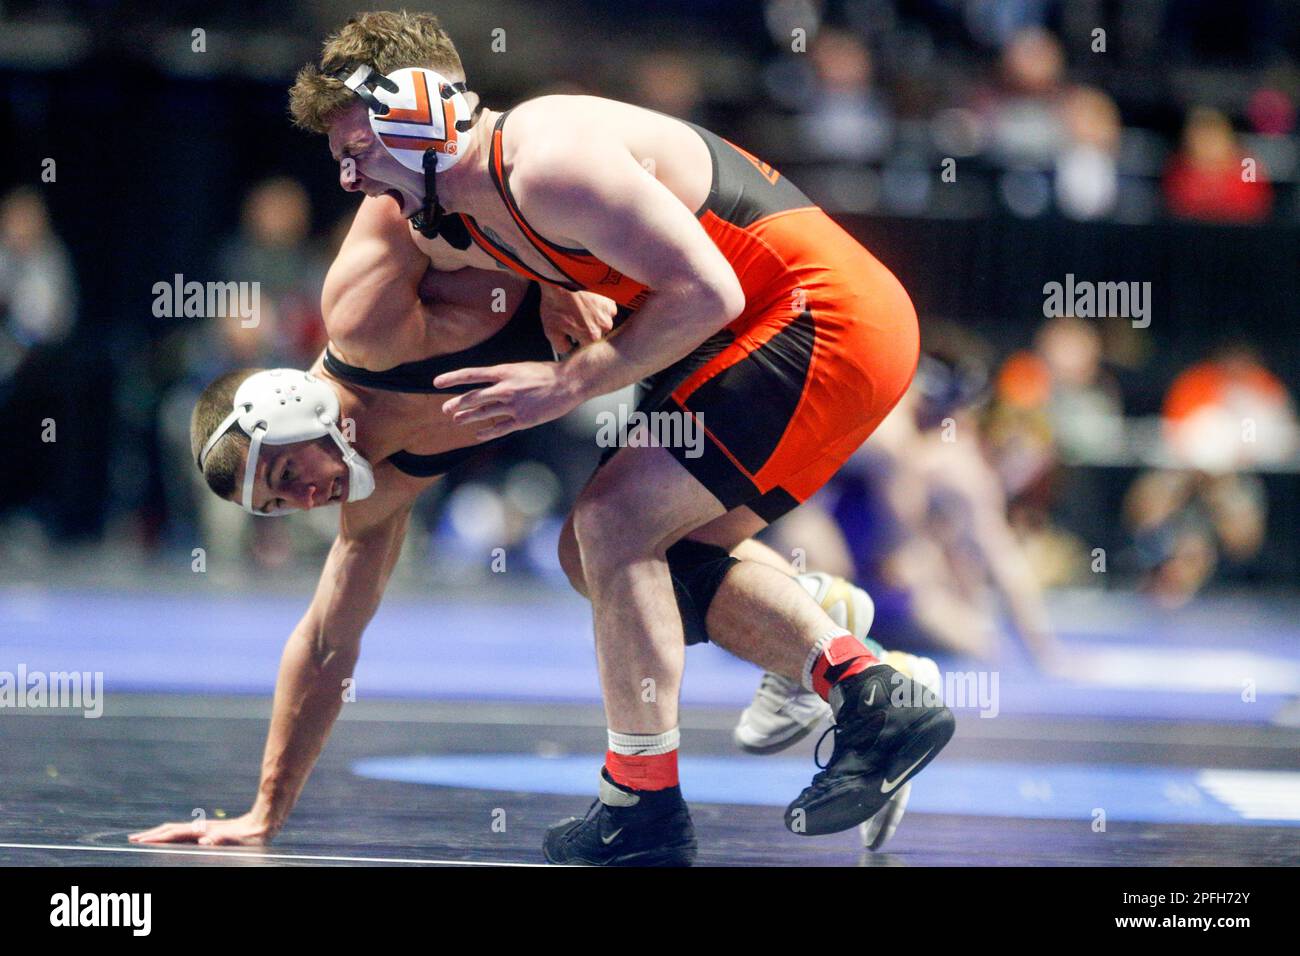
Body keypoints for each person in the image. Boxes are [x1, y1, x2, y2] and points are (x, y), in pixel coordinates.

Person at [282, 10, 953, 864]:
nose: (349, 179)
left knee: (615, 524)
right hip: (771, 328)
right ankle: (853, 671)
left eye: (357, 151)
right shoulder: (459, 210)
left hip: (818, 315)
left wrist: (564, 386)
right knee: (598, 553)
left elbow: (706, 288)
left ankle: (649, 803)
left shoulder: (549, 159)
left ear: (418, 114)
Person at [129, 195, 937, 860]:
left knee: (611, 529)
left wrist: (548, 273)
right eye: (280, 506)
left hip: (754, 304)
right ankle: (834, 643)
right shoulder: (376, 493)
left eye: (285, 475)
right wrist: (264, 812)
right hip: (709, 339)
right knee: (604, 550)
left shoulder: (365, 316)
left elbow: (433, 181)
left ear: (284, 405)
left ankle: (676, 782)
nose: (304, 498)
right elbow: (328, 642)